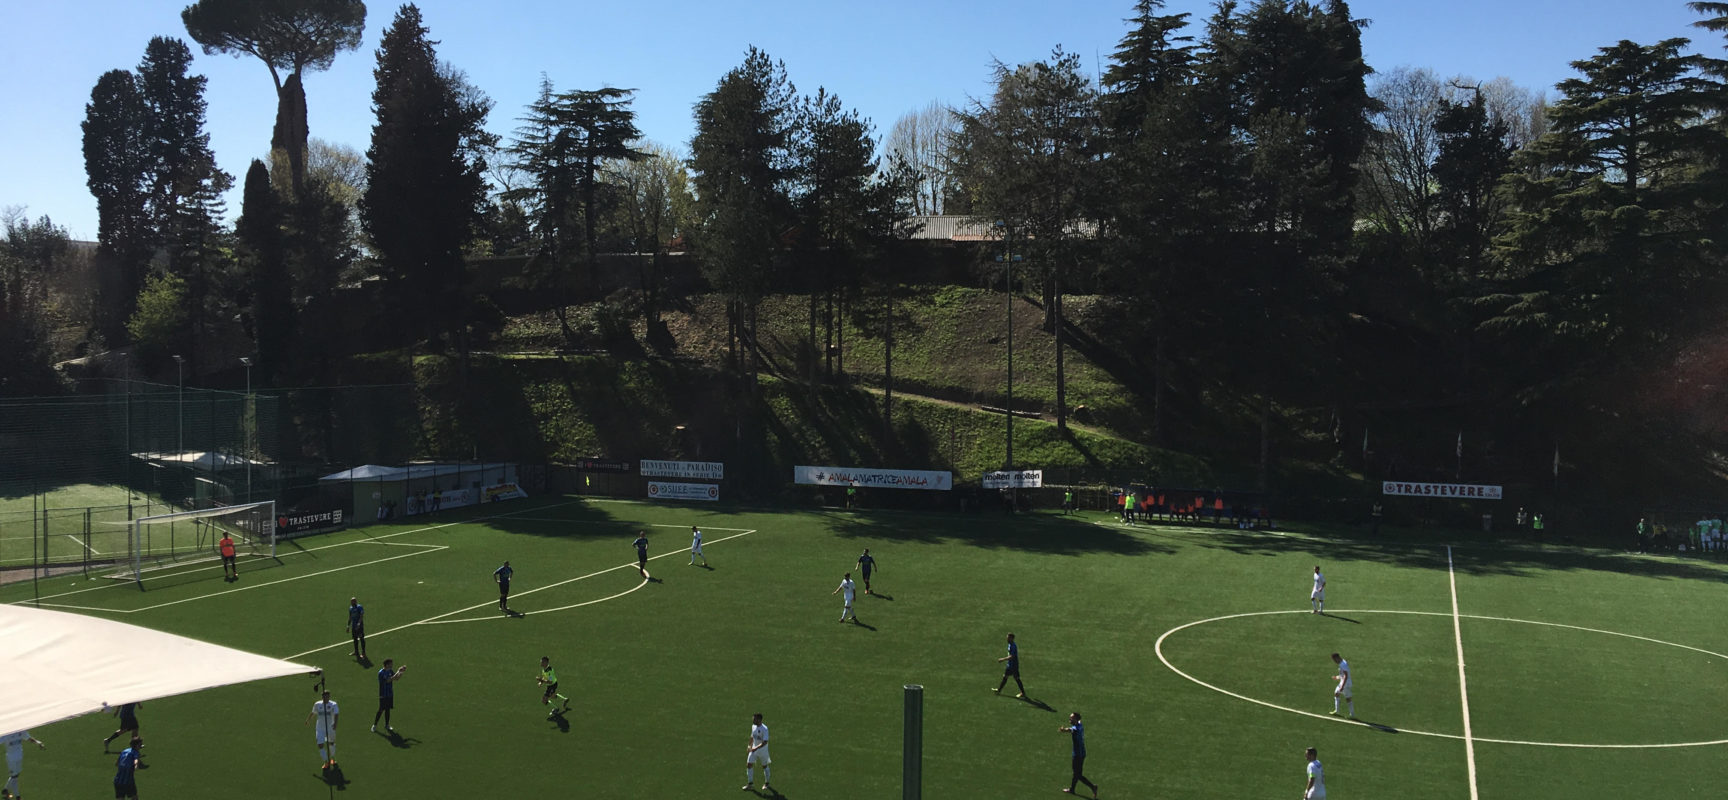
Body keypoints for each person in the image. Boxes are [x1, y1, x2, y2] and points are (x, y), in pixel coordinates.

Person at [1058, 712, 1098, 797]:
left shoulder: (1075, 729)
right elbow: (1078, 723)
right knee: (1076, 773)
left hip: (1077, 754)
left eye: (1072, 718)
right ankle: (1072, 789)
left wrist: (1063, 730)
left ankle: (1092, 787)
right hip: (1082, 752)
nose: (1070, 719)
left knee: (1077, 774)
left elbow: (1070, 730)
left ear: (1076, 719)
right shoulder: (1080, 725)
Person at [1, 729, 45, 800]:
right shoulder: (6, 734)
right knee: (14, 777)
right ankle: (17, 797)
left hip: (19, 756)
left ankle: (5, 790)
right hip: (11, 759)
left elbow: (28, 738)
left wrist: (38, 742)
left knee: (16, 775)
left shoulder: (20, 731)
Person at [306, 690, 338, 769]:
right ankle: (326, 761)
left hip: (330, 727)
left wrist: (335, 724)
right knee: (320, 745)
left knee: (331, 743)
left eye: (327, 696)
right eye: (324, 696)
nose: (325, 698)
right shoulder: (317, 704)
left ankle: (332, 758)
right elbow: (313, 712)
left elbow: (336, 714)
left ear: (329, 697)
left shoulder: (333, 704)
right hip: (320, 728)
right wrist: (308, 720)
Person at [373, 659, 406, 732]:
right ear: (387, 664)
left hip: (390, 694)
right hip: (383, 694)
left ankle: (387, 725)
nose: (392, 665)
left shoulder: (390, 671)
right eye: (391, 664)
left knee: (387, 709)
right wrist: (398, 670)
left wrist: (401, 672)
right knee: (381, 710)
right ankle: (375, 725)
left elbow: (396, 678)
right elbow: (389, 680)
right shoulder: (381, 673)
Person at [742, 712, 771, 791]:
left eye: (754, 719)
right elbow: (752, 736)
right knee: (749, 764)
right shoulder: (753, 726)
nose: (753, 720)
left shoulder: (764, 729)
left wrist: (756, 748)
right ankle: (750, 784)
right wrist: (749, 745)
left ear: (759, 719)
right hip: (754, 750)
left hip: (763, 751)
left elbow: (765, 742)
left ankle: (767, 783)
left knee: (764, 766)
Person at [994, 633, 1026, 698]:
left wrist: (1003, 659)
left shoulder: (1013, 646)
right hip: (1010, 665)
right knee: (1005, 676)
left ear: (1012, 638)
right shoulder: (1009, 644)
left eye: (1008, 638)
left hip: (1013, 665)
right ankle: (999, 690)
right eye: (1007, 637)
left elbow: (1012, 656)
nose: (1007, 639)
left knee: (1016, 678)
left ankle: (1023, 693)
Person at [1330, 652, 1354, 718]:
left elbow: (1346, 676)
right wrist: (1337, 677)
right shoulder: (1343, 662)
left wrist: (1342, 686)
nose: (1334, 662)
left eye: (1334, 660)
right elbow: (1343, 675)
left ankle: (1339, 711)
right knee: (1346, 697)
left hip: (1345, 683)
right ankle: (1351, 714)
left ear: (1337, 658)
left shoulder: (1343, 665)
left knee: (1339, 694)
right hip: (1347, 682)